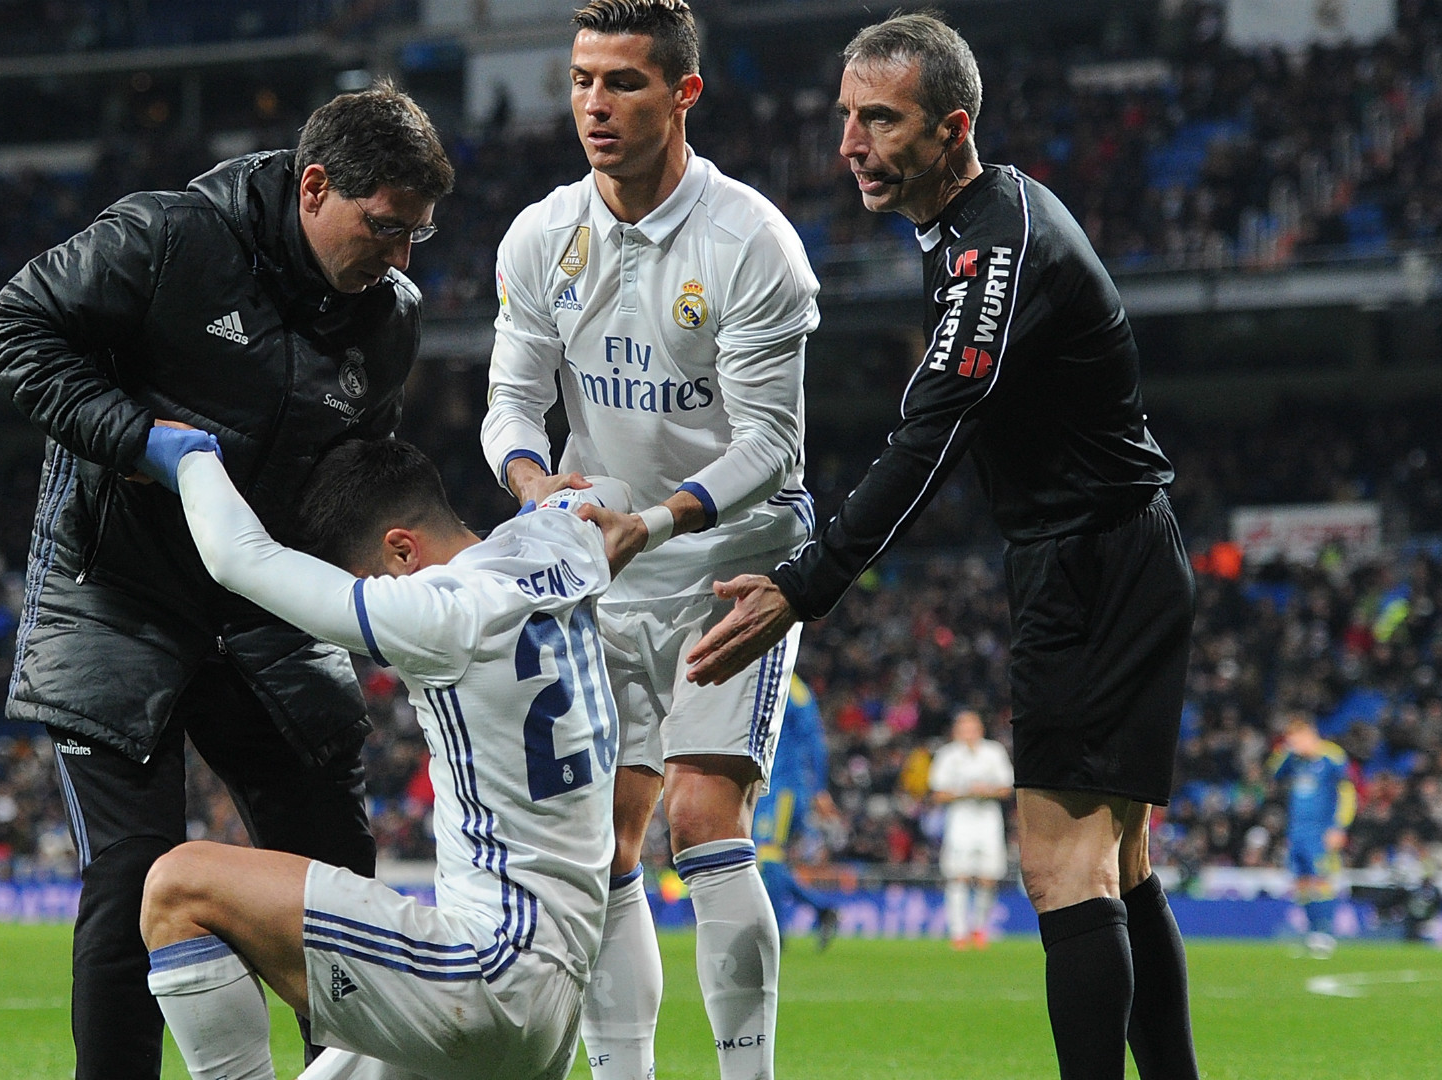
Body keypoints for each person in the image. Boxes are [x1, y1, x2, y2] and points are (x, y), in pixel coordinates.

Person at [686, 14, 1200, 1080]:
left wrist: (807, 582)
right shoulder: (977, 228)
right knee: (1121, 860)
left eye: (881, 119)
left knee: (1063, 871)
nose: (851, 144)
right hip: (1116, 548)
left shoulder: (992, 243)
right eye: (845, 118)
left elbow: (936, 427)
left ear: (951, 127)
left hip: (1090, 561)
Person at [0, 84, 453, 1078]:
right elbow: (14, 326)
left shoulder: (388, 318)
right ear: (316, 186)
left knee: (336, 872)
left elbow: (359, 473)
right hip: (118, 594)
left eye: (417, 235)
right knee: (133, 880)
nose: (402, 258)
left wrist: (416, 568)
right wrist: (144, 442)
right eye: (385, 228)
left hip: (268, 609)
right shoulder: (168, 238)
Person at [480, 3, 820, 1076]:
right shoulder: (541, 235)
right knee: (598, 844)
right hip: (601, 576)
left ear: (684, 94)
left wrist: (658, 521)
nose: (594, 105)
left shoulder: (751, 240)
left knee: (702, 810)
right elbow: (508, 406)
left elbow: (773, 442)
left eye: (624, 82)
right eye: (582, 80)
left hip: (733, 568)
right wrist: (535, 486)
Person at [136, 435, 622, 1080]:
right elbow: (607, 494)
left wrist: (188, 455)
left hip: (485, 974)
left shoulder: (439, 610)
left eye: (367, 578)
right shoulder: (562, 543)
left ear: (401, 549)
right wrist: (540, 494)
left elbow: (238, 559)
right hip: (554, 996)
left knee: (179, 885)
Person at [752, 675, 839, 950]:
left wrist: (820, 789)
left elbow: (815, 741)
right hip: (767, 786)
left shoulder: (795, 689)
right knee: (763, 860)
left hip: (785, 789)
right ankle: (821, 909)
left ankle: (777, 932)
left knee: (767, 855)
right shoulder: (763, 679)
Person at [1266, 714, 1355, 959]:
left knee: (1321, 881)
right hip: (1297, 831)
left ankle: (1324, 934)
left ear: (1310, 734)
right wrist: (1285, 750)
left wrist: (1339, 827)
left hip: (1321, 831)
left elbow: (1347, 792)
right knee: (1301, 883)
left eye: (1296, 738)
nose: (1294, 743)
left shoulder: (1331, 757)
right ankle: (1313, 934)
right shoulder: (1294, 760)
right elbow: (1273, 775)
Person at [928, 710, 1013, 950]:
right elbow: (938, 793)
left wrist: (985, 790)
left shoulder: (994, 752)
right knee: (958, 876)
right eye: (963, 728)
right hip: (959, 821)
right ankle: (957, 933)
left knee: (988, 878)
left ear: (980, 730)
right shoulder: (947, 755)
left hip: (988, 821)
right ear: (956, 731)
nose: (968, 733)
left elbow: (1007, 788)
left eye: (972, 727)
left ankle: (979, 928)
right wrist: (966, 792)